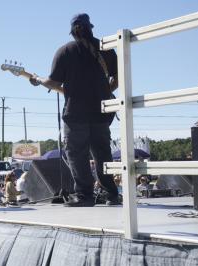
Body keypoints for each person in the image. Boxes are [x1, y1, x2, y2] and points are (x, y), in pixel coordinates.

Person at [29, 13, 119, 207]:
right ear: (91, 28)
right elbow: (117, 80)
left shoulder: (65, 51)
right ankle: (111, 194)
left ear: (72, 31)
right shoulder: (106, 49)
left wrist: (37, 79)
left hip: (75, 114)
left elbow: (53, 82)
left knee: (77, 155)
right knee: (103, 154)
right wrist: (104, 92)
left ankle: (85, 195)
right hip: (102, 113)